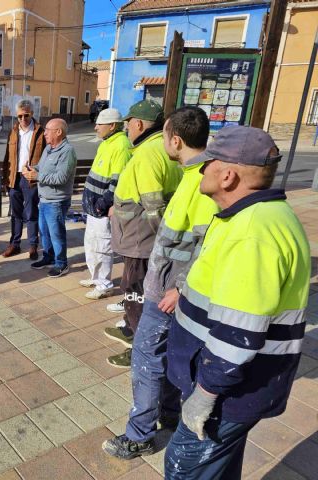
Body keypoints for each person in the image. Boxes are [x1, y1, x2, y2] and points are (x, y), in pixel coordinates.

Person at [164, 125, 310, 479]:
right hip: (232, 389)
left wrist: (204, 395)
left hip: (226, 393)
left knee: (185, 468)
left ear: (227, 175)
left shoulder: (252, 233)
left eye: (207, 163)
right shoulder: (250, 217)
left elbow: (236, 335)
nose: (201, 168)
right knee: (219, 467)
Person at [103, 106, 220, 460]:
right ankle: (168, 414)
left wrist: (180, 287)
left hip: (168, 291)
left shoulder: (203, 181)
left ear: (176, 140)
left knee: (146, 357)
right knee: (165, 355)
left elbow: (209, 244)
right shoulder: (193, 174)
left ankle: (139, 435)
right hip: (167, 285)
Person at [105, 99, 182, 368]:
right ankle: (129, 328)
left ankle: (139, 348)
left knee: (134, 292)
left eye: (128, 123)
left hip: (140, 240)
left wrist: (160, 245)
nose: (126, 128)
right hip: (141, 238)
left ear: (138, 124)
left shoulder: (149, 153)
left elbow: (153, 207)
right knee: (135, 289)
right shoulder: (163, 147)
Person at [80, 108, 131, 300]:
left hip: (101, 207)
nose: (95, 128)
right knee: (92, 242)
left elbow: (118, 181)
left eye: (99, 124)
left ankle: (104, 284)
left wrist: (104, 203)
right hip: (93, 207)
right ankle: (95, 277)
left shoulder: (121, 146)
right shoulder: (106, 143)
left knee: (102, 245)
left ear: (112, 126)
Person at [23, 118, 76, 278]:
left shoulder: (67, 151)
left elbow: (61, 178)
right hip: (44, 199)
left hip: (56, 201)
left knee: (56, 233)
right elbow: (42, 167)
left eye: (47, 130)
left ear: (58, 132)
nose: (44, 133)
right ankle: (48, 257)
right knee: (45, 232)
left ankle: (61, 263)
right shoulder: (49, 148)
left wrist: (37, 175)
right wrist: (32, 168)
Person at [1, 99, 46, 260]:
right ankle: (15, 244)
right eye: (19, 116)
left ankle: (33, 245)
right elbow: (8, 157)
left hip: (30, 179)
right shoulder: (13, 131)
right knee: (16, 213)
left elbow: (47, 157)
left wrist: (37, 171)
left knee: (31, 212)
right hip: (15, 178)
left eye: (26, 115)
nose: (23, 119)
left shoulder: (41, 132)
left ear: (32, 114)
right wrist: (6, 179)